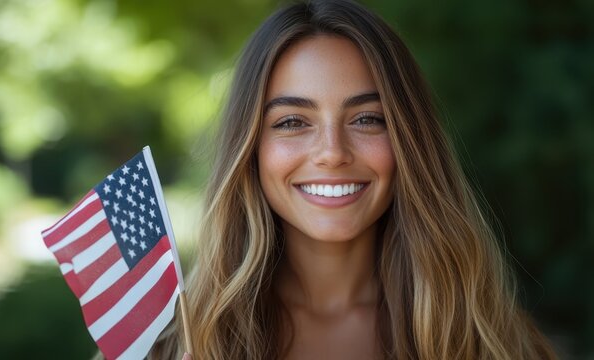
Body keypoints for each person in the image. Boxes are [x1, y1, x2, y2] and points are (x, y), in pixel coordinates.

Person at [150, 0, 558, 358]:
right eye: (293, 121)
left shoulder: (488, 338)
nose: (332, 152)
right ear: (250, 148)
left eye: (367, 119)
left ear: (410, 142)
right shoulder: (174, 344)